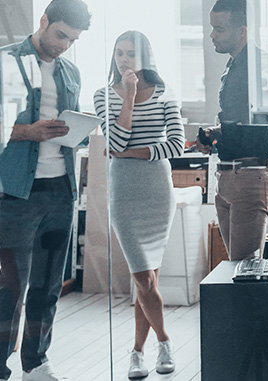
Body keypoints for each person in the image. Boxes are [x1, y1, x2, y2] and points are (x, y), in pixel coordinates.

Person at [0, 1, 91, 380]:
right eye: (60, 36)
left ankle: (35, 363)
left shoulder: (71, 72)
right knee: (11, 288)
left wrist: (78, 131)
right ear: (43, 21)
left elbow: (68, 128)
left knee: (48, 285)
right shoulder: (6, 62)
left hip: (61, 192)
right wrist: (25, 132)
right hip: (16, 195)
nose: (64, 46)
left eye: (72, 40)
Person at [93, 30, 183, 379]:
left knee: (147, 282)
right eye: (119, 53)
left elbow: (176, 145)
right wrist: (128, 96)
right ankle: (165, 341)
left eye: (131, 53)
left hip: (158, 191)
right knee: (144, 279)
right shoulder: (103, 95)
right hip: (125, 193)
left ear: (145, 57)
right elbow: (114, 138)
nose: (123, 60)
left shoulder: (164, 93)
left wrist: (130, 154)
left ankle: (135, 353)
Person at [195, 0, 268, 260]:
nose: (212, 34)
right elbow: (240, 127)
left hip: (250, 179)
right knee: (236, 269)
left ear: (243, 31)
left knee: (245, 271)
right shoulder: (233, 67)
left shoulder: (265, 70)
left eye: (220, 29)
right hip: (226, 178)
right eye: (212, 27)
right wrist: (211, 135)